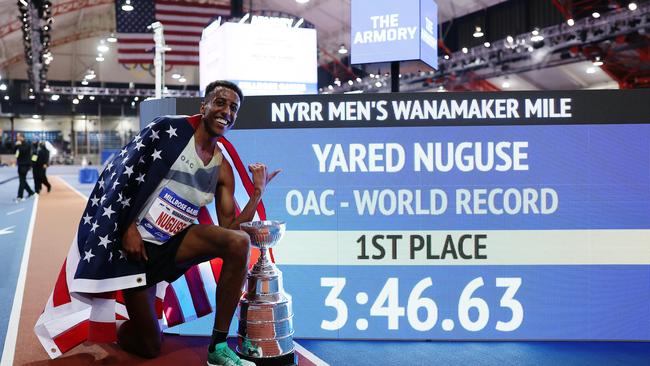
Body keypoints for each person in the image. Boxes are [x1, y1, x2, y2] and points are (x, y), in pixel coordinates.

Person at [35, 80, 278, 365]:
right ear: (204, 106)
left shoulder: (222, 168)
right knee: (150, 345)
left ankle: (219, 347)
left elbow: (231, 229)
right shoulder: (168, 132)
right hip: (135, 251)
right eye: (220, 102)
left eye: (233, 108)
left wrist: (257, 192)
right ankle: (118, 327)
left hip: (174, 244)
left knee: (238, 242)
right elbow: (122, 176)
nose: (226, 111)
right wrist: (126, 228)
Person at [14, 133, 35, 201]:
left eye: (18, 136)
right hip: (20, 164)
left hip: (25, 164)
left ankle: (20, 196)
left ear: (22, 137)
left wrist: (18, 145)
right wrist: (16, 146)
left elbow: (22, 151)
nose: (17, 138)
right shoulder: (18, 144)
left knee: (22, 180)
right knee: (22, 180)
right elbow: (15, 153)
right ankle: (31, 192)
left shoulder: (27, 144)